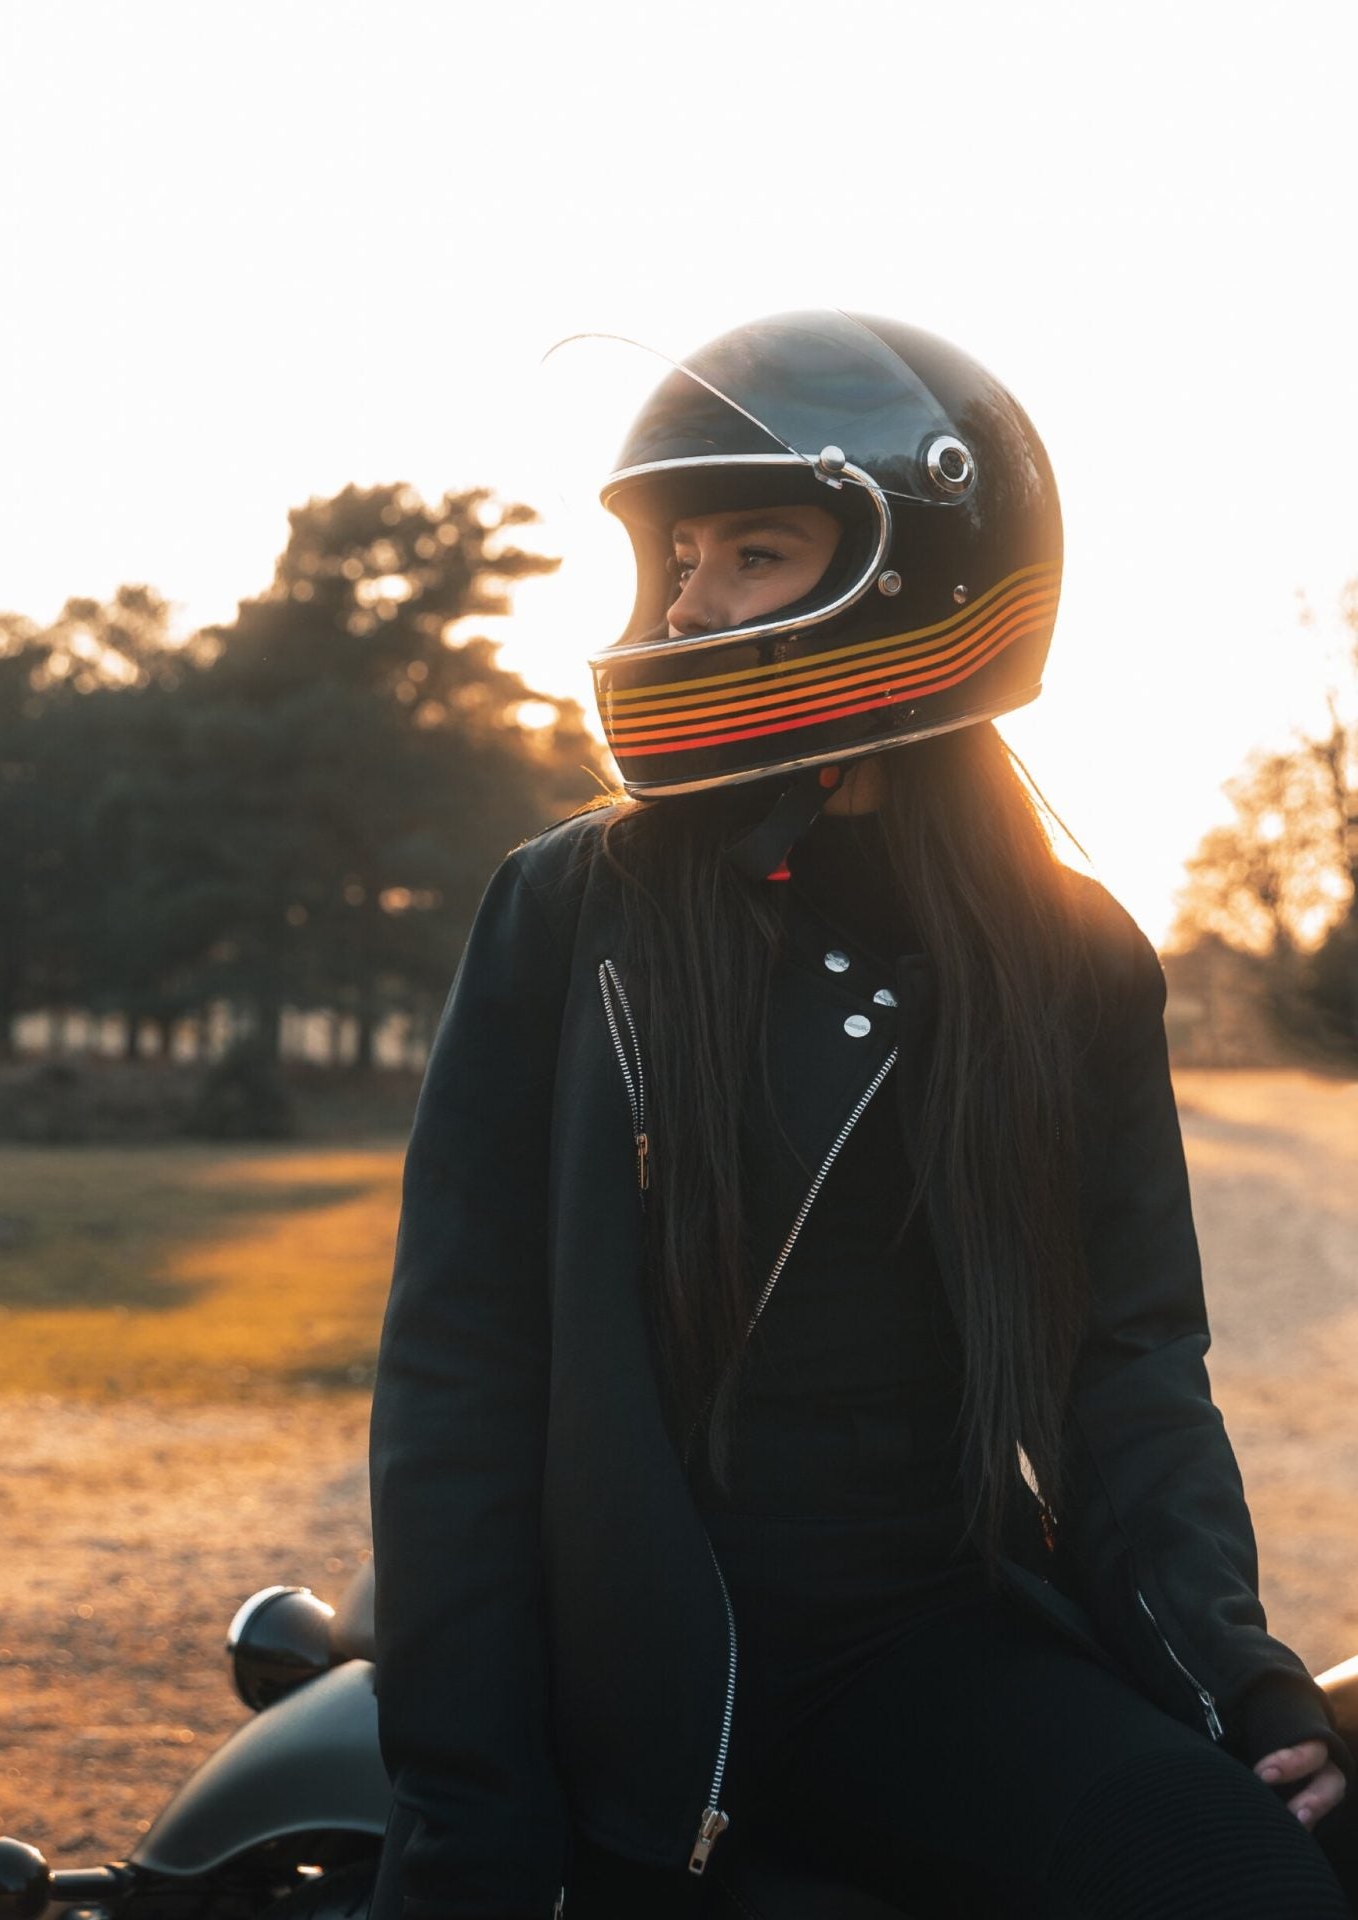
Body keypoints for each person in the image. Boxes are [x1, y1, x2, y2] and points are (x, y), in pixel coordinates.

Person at [366, 310, 1356, 1919]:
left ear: (919, 577)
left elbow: (1129, 1370)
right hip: (642, 1657)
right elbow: (462, 1377)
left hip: (929, 1638)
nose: (688, 601)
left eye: (748, 553)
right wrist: (472, 1818)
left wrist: (1233, 1677)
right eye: (679, 559)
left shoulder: (1075, 960)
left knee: (1253, 1876)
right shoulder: (575, 908)